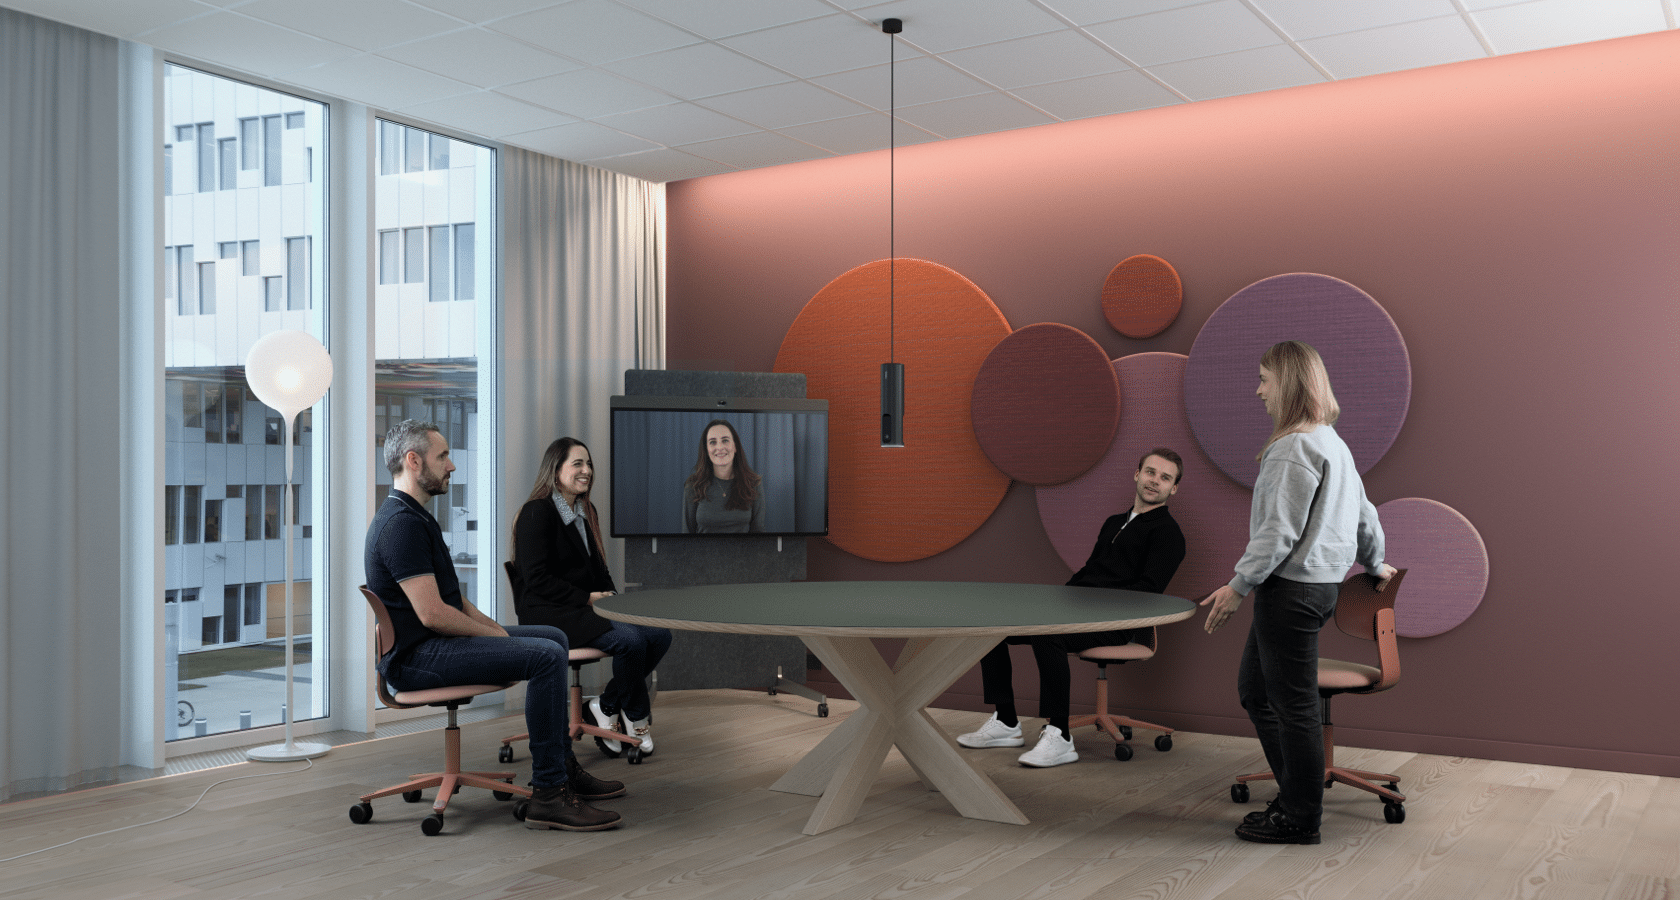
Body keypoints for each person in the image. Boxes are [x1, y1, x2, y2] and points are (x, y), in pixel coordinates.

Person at [364, 419, 623, 832]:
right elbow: (432, 614)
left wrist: (495, 628)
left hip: (434, 646)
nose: (451, 466)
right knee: (543, 656)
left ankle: (563, 768)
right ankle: (550, 794)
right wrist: (495, 637)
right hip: (419, 657)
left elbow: (456, 602)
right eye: (443, 456)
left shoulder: (418, 518)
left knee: (552, 638)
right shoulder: (402, 525)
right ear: (413, 462)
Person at [1200, 341, 1397, 845]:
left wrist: (1237, 587)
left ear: (1287, 384)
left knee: (1293, 707)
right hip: (1318, 590)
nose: (1258, 389)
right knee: (1257, 690)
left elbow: (1276, 534)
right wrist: (1375, 562)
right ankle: (1295, 794)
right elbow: (1365, 515)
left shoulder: (1292, 448)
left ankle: (1300, 815)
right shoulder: (1333, 441)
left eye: (1265, 379)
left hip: (1288, 592)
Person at [958, 449, 1188, 768]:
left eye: (1165, 478)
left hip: (1116, 623)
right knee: (994, 627)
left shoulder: (1168, 534)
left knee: (1048, 636)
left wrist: (1087, 610)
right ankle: (1006, 721)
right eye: (1151, 472)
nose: (1155, 481)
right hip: (1080, 612)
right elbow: (1089, 573)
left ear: (1173, 489)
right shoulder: (1114, 523)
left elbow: (1148, 595)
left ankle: (1060, 736)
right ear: (1137, 474)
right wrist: (1063, 603)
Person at [510, 437, 671, 756]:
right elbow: (537, 580)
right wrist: (589, 598)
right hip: (549, 612)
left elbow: (600, 569)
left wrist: (613, 599)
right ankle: (636, 715)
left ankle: (606, 704)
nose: (587, 470)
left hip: (586, 607)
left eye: (589, 464)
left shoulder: (586, 510)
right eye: (578, 464)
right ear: (555, 471)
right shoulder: (536, 512)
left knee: (659, 635)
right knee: (631, 641)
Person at [681, 419, 765, 533]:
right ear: (706, 450)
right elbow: (686, 535)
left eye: (725, 440)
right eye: (712, 442)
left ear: (735, 447)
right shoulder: (693, 485)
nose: (719, 447)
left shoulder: (753, 484)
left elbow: (758, 534)